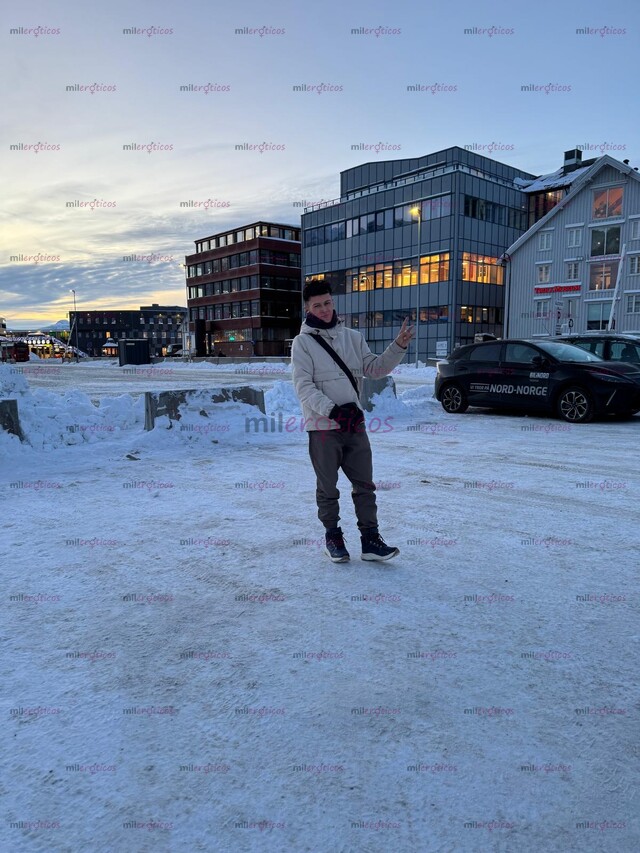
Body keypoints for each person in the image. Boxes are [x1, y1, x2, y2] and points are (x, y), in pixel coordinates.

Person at [291, 281, 414, 563]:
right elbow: (303, 387)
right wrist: (333, 412)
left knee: (365, 485)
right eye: (317, 305)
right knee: (328, 487)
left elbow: (375, 369)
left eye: (327, 303)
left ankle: (370, 540)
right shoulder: (302, 343)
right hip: (323, 427)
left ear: (333, 303)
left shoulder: (354, 338)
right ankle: (333, 537)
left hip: (354, 425)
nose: (324, 309)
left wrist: (398, 346)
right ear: (308, 308)